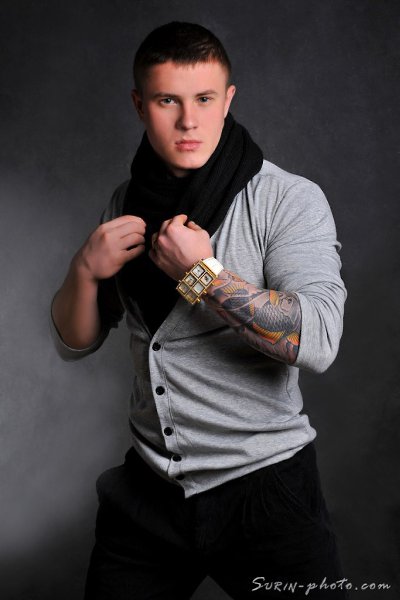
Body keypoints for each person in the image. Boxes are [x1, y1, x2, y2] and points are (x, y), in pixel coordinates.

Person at [51, 21, 348, 600]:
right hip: (149, 491)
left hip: (264, 489)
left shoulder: (286, 199)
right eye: (168, 101)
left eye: (205, 99)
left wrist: (201, 275)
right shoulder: (126, 202)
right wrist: (83, 269)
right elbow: (75, 343)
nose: (189, 121)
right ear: (140, 105)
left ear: (228, 100)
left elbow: (317, 339)